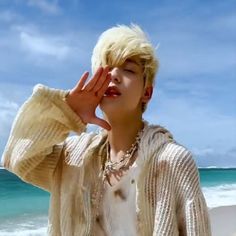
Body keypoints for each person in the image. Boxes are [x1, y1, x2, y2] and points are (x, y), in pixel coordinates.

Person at [2, 24, 211, 235]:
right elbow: (18, 158)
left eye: (128, 70)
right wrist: (66, 112)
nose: (114, 76)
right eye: (106, 69)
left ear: (146, 93)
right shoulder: (73, 158)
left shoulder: (171, 160)